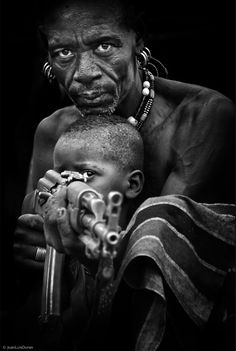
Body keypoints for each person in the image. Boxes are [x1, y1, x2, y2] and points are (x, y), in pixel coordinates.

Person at [14, 0, 235, 274]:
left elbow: (155, 250)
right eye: (63, 52)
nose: (84, 74)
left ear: (138, 40)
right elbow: (38, 256)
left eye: (104, 46)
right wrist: (36, 238)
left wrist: (74, 240)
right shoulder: (53, 130)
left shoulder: (202, 116)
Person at [12, 115, 235, 351]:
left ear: (133, 184)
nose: (68, 187)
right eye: (62, 177)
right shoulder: (59, 248)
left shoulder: (156, 229)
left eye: (87, 174)